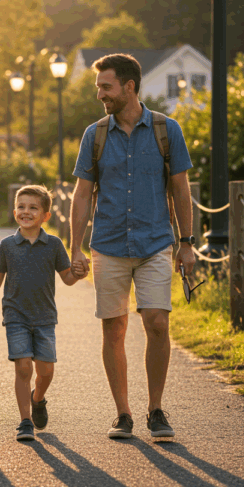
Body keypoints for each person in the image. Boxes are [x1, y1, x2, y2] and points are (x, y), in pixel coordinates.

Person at [69, 53, 195, 439]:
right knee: (115, 329)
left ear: (129, 87)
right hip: (107, 245)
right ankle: (123, 414)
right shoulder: (95, 134)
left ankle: (155, 409)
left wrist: (186, 244)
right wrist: (76, 248)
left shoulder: (165, 129)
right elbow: (82, 194)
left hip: (155, 242)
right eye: (98, 88)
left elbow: (180, 189)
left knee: (157, 322)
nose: (100, 95)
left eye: (106, 87)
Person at [0, 185, 80, 441]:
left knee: (46, 371)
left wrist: (78, 273)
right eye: (21, 207)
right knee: (23, 368)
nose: (26, 211)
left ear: (45, 215)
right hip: (15, 316)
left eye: (33, 207)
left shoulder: (54, 244)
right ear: (14, 212)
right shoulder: (7, 245)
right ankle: (25, 421)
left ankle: (38, 398)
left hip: (44, 317)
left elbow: (67, 278)